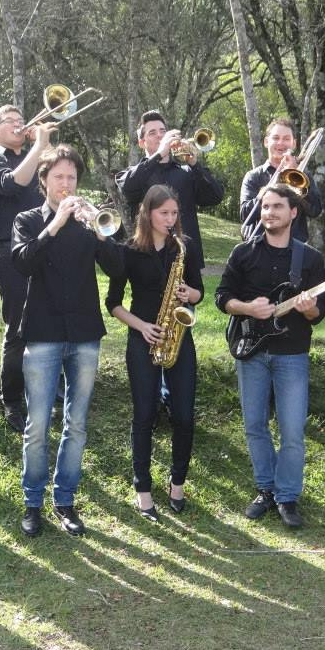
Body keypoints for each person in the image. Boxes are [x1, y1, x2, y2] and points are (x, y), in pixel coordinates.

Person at [12, 144, 125, 537]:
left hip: (83, 333)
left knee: (76, 424)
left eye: (71, 178)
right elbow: (23, 261)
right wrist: (55, 224)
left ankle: (65, 501)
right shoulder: (28, 220)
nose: (66, 184)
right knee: (37, 425)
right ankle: (32, 503)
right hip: (42, 332)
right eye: (58, 177)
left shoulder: (86, 223)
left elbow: (117, 266)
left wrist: (100, 227)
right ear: (43, 182)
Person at [215, 183, 325, 528]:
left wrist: (308, 310)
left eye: (277, 207)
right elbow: (222, 298)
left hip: (292, 353)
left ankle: (288, 496)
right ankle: (266, 489)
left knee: (293, 430)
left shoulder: (308, 258)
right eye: (265, 207)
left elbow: (319, 315)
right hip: (251, 351)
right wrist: (247, 307)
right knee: (254, 425)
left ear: (293, 213)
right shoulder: (243, 253)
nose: (269, 213)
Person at [106, 184, 204, 520]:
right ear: (148, 213)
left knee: (185, 415)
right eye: (164, 213)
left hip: (178, 336)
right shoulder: (129, 250)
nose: (171, 219)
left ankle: (177, 484)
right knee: (144, 415)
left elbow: (200, 293)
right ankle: (143, 488)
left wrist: (188, 292)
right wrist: (142, 327)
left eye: (174, 213)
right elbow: (113, 304)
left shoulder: (183, 247)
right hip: (143, 336)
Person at [0, 107, 57, 433]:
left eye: (20, 120)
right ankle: (11, 398)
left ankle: (49, 392)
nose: (19, 124)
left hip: (46, 243)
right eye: (10, 122)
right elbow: (13, 184)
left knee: (50, 321)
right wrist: (38, 147)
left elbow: (55, 185)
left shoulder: (38, 155)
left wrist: (46, 148)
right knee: (18, 326)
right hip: (9, 248)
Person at [116, 109, 225, 273]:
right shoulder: (132, 174)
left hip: (185, 258)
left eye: (163, 131)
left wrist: (195, 164)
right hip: (148, 257)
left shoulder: (187, 172)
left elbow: (216, 196)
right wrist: (160, 153)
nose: (160, 136)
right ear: (141, 143)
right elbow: (127, 188)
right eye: (152, 133)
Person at [239, 118, 323, 242]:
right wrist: (273, 186)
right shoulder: (254, 176)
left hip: (294, 249)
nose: (281, 143)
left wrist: (295, 177)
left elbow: (315, 211)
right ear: (266, 142)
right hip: (259, 247)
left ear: (294, 144)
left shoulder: (303, 176)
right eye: (276, 138)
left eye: (286, 139)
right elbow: (245, 215)